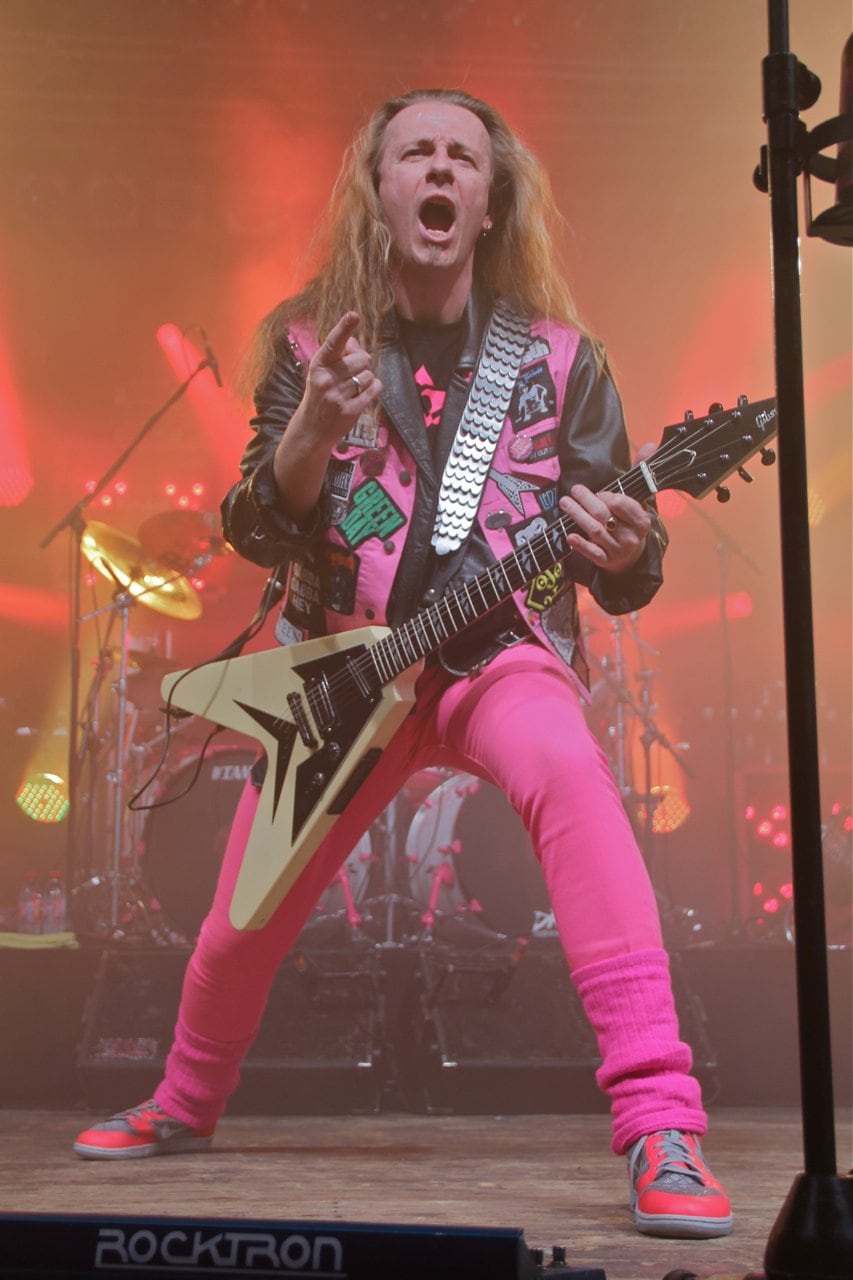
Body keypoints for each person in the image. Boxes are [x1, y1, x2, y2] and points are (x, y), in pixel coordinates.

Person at [73, 88, 732, 1241]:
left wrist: (631, 546)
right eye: (413, 152)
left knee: (571, 777)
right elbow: (258, 527)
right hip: (342, 675)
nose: (437, 169)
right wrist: (310, 433)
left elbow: (622, 567)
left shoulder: (560, 358)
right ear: (377, 191)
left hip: (497, 656)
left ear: (488, 200)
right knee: (240, 919)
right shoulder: (306, 343)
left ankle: (662, 1123)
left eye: (460, 157)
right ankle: (183, 1098)